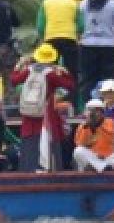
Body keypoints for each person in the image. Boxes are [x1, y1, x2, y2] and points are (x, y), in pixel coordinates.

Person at [10, 43, 75, 172]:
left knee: (29, 140)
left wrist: (17, 67)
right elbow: (70, 85)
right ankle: (50, 168)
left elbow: (14, 80)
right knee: (48, 138)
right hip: (47, 112)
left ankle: (27, 169)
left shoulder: (29, 70)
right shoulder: (51, 74)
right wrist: (64, 72)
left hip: (29, 111)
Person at [78, 0, 114, 105]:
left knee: (88, 77)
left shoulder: (82, 4)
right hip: (107, 45)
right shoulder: (113, 4)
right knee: (107, 77)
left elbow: (79, 24)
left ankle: (88, 105)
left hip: (87, 45)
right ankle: (107, 104)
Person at [36, 0, 82, 81]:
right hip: (69, 38)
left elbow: (40, 25)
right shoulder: (73, 3)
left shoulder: (46, 2)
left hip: (51, 38)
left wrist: (42, 38)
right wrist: (78, 36)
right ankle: (72, 94)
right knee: (71, 70)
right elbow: (81, 25)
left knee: (49, 68)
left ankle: (51, 92)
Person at [73, 99, 114, 172]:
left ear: (102, 113)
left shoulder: (109, 122)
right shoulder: (83, 126)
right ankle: (103, 168)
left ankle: (100, 168)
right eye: (90, 110)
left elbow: (111, 138)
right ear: (86, 113)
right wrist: (88, 126)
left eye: (96, 110)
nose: (93, 113)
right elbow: (80, 143)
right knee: (78, 151)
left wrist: (97, 124)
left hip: (108, 157)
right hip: (93, 158)